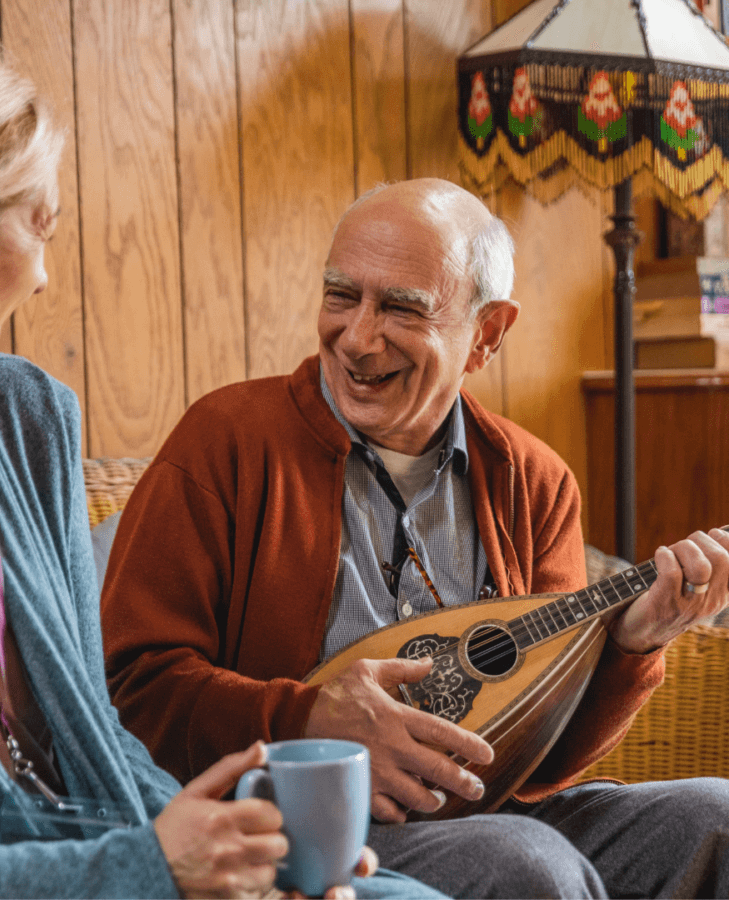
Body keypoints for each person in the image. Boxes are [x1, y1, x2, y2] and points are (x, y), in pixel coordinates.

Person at [0, 15, 442, 899]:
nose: (42, 276)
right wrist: (147, 870)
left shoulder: (27, 419)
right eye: (40, 227)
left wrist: (237, 848)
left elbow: (96, 739)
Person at [101, 178, 729, 899]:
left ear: (487, 334)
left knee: (716, 818)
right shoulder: (226, 442)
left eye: (401, 308)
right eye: (341, 296)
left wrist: (629, 648)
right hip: (306, 826)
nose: (357, 337)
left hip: (495, 811)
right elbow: (128, 689)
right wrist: (307, 719)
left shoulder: (534, 481)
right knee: (525, 865)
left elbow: (544, 766)